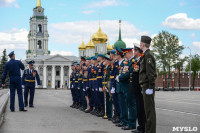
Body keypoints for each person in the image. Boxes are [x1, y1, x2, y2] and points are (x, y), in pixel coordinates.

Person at [139, 36, 157, 133]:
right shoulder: (145, 55)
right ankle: (148, 130)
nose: (140, 44)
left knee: (150, 111)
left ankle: (151, 131)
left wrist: (151, 87)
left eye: (140, 43)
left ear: (143, 44)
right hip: (145, 86)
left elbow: (150, 73)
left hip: (148, 86)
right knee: (147, 111)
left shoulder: (148, 55)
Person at [120, 47, 137, 130]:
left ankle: (132, 124)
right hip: (127, 85)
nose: (125, 56)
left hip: (130, 85)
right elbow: (124, 72)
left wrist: (119, 77)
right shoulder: (128, 62)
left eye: (126, 54)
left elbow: (127, 74)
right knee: (129, 104)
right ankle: (130, 123)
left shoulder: (133, 62)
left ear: (130, 53)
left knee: (131, 105)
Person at [131, 43, 146, 133]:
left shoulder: (141, 60)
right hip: (136, 88)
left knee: (141, 108)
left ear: (138, 51)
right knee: (139, 108)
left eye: (135, 50)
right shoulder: (137, 61)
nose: (133, 52)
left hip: (140, 88)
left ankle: (142, 127)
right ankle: (140, 126)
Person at [115, 47, 127, 128]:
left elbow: (124, 74)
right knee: (121, 104)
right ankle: (122, 120)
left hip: (123, 86)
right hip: (119, 86)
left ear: (119, 55)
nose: (115, 56)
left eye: (116, 54)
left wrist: (119, 77)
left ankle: (125, 121)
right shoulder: (119, 63)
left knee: (124, 105)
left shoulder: (124, 63)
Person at [109, 50, 121, 124]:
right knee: (115, 101)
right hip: (113, 83)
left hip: (116, 83)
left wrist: (113, 85)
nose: (110, 56)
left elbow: (116, 75)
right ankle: (116, 115)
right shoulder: (114, 63)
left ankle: (118, 116)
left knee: (118, 101)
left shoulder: (116, 64)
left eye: (111, 54)